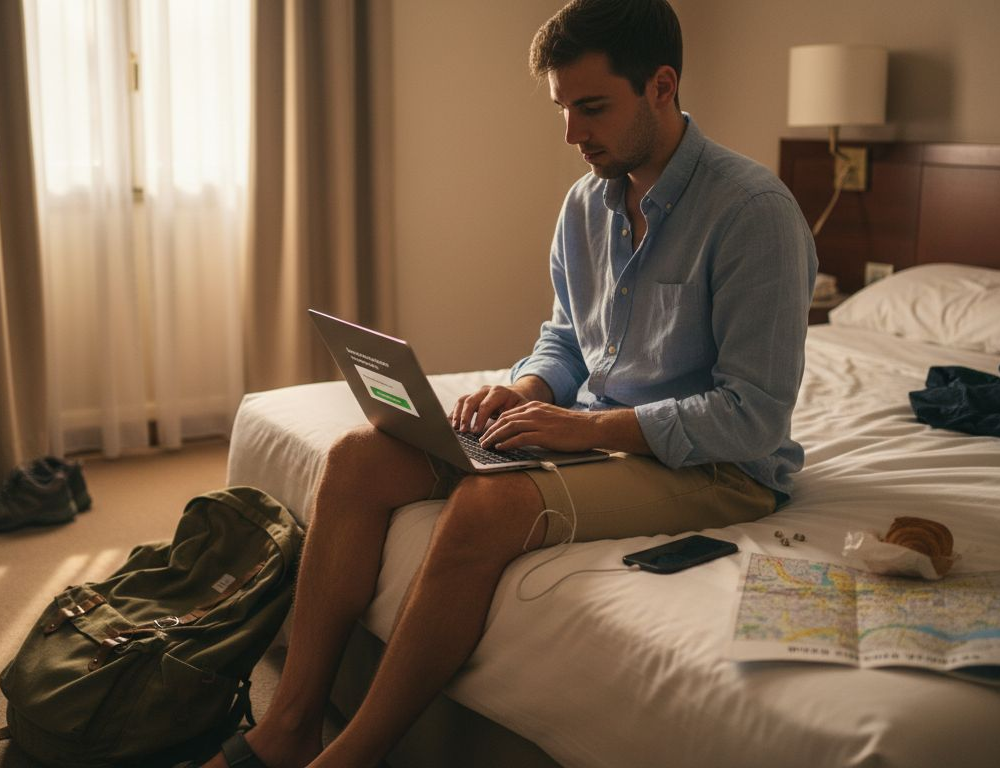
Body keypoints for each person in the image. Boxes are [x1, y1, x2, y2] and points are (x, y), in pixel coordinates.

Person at [201, 1, 815, 766]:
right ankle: (290, 723)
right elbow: (567, 335)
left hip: (717, 468)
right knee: (359, 456)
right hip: (601, 432)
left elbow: (753, 414)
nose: (571, 134)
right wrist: (529, 391)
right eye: (563, 108)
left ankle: (350, 755)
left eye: (592, 107)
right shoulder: (588, 202)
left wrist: (588, 430)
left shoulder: (753, 212)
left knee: (487, 506)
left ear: (662, 86)